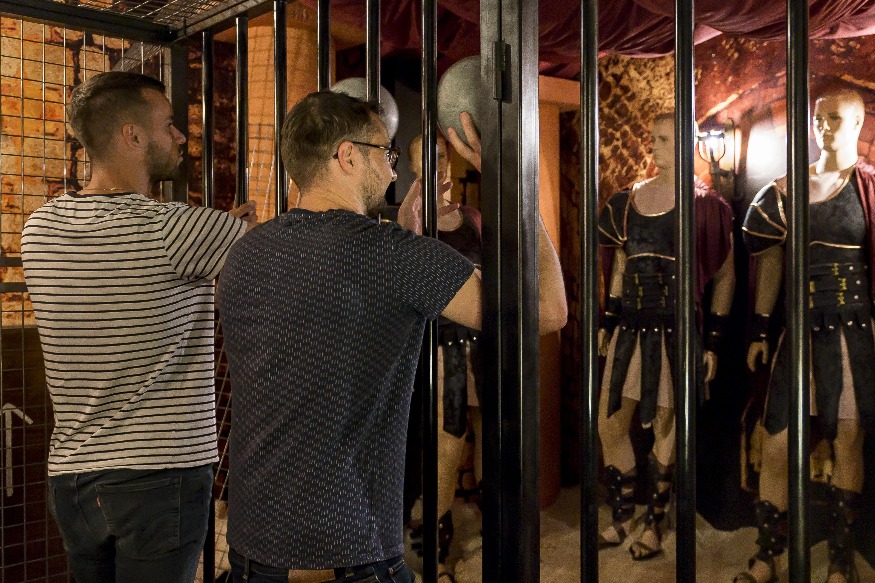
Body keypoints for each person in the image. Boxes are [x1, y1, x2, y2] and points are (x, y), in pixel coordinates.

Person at [218, 91, 567, 582]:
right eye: (385, 151)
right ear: (347, 156)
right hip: (348, 559)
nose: (392, 167)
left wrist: (410, 246)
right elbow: (549, 309)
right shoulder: (390, 255)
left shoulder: (244, 252)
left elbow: (323, 344)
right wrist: (514, 184)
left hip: (252, 553)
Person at [20, 71, 257, 583]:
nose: (181, 136)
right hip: (159, 478)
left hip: (73, 480)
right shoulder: (174, 228)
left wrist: (220, 232)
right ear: (132, 135)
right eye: (168, 124)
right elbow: (274, 258)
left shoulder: (38, 229)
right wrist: (231, 229)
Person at [735, 88, 875, 583]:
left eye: (834, 118)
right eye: (818, 118)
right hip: (799, 333)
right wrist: (758, 329)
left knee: (848, 442)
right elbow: (771, 268)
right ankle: (770, 553)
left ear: (857, 123)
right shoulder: (784, 192)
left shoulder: (869, 190)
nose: (823, 126)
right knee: (776, 446)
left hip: (855, 333)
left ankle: (840, 558)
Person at [596, 112, 735, 561]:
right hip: (631, 326)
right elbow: (621, 266)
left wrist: (713, 341)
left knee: (668, 428)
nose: (652, 145)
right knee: (609, 423)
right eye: (652, 137)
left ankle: (654, 522)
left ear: (684, 142)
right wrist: (608, 321)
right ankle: (622, 516)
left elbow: (725, 276)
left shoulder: (708, 206)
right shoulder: (627, 200)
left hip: (677, 330)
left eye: (661, 138)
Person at [404, 132, 483, 577]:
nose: (436, 163)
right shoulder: (412, 218)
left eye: (441, 155)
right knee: (447, 448)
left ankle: (491, 526)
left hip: (482, 344)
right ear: (414, 166)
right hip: (441, 345)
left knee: (490, 438)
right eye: (427, 158)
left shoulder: (471, 217)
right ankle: (436, 551)